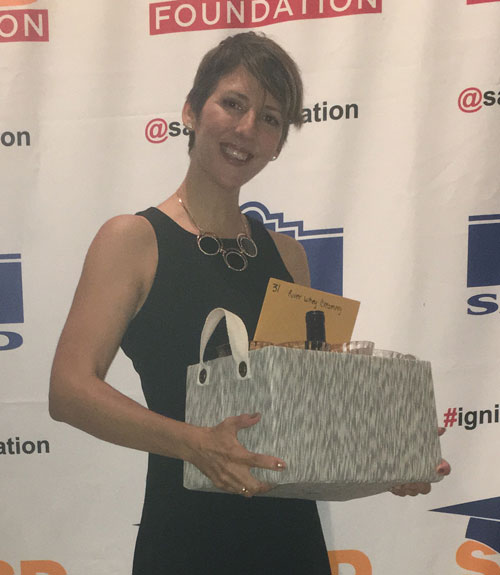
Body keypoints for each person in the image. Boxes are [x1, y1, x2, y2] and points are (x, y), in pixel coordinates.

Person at [49, 32, 450, 574]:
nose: (247, 129)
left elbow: (309, 413)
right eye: (233, 104)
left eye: (270, 118)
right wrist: (196, 444)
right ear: (191, 111)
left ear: (279, 142)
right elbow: (69, 390)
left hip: (291, 542)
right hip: (186, 540)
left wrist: (388, 455)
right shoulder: (134, 239)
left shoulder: (288, 256)